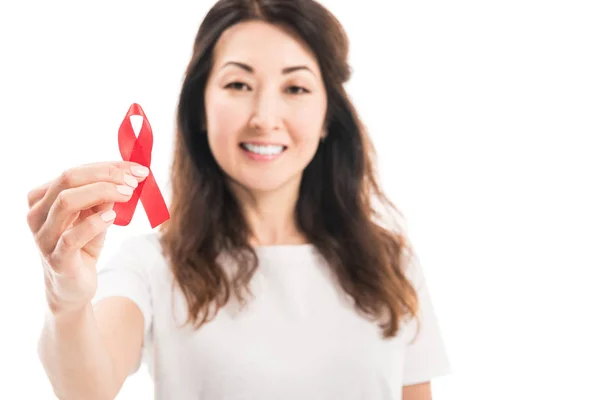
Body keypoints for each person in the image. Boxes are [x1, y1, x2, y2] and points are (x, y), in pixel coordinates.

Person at [26, 0, 451, 399]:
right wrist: (66, 298)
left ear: (327, 116)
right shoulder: (153, 262)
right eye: (238, 83)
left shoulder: (390, 263)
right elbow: (86, 386)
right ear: (200, 109)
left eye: (296, 88)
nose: (264, 118)